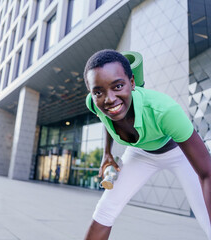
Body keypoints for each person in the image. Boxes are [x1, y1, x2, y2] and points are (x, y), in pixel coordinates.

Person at [83, 49, 211, 240]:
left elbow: (207, 173)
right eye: (99, 92)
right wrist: (106, 154)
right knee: (105, 210)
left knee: (206, 219)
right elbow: (105, 119)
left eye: (117, 86)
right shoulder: (95, 103)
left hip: (178, 152)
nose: (109, 99)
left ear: (132, 82)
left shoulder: (165, 111)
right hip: (140, 153)